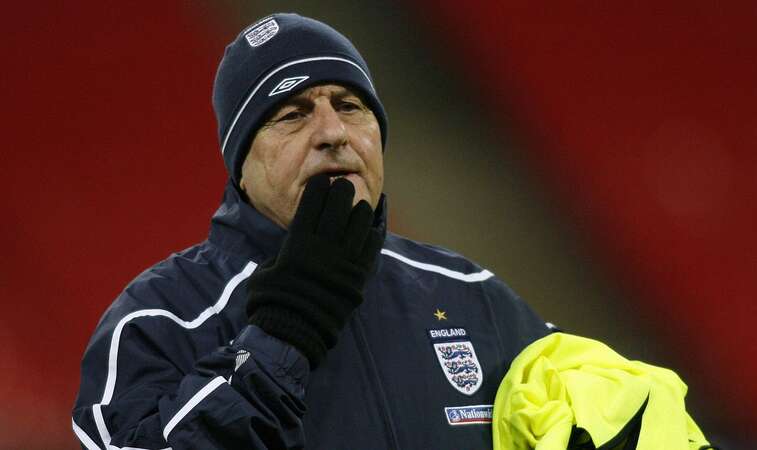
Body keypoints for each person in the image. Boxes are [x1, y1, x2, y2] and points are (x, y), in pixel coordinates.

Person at [71, 13, 552, 449]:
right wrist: (281, 337)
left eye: (349, 105)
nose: (332, 132)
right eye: (293, 114)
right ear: (241, 164)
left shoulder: (473, 295)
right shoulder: (160, 318)